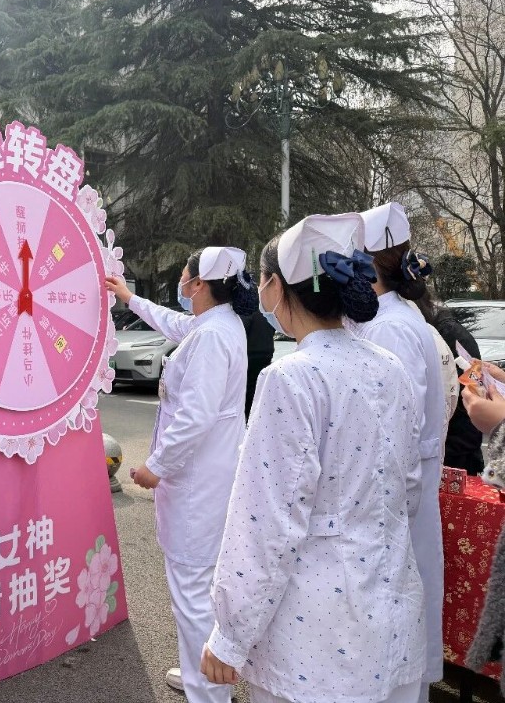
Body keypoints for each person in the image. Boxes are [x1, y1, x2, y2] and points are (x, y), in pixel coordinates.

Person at [201, 213, 425, 703]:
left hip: (316, 637)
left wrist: (230, 634)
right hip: (392, 612)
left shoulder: (293, 379)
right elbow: (407, 488)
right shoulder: (389, 368)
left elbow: (265, 524)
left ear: (276, 287)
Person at [106, 246, 256, 703]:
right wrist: (130, 298)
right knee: (201, 586)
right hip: (209, 474)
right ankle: (201, 672)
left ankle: (206, 692)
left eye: (186, 277)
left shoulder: (212, 335)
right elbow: (173, 322)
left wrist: (155, 467)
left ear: (200, 284)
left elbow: (194, 416)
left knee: (192, 589)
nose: (182, 284)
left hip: (198, 481)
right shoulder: (216, 324)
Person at [352, 202, 447, 701]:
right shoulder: (395, 317)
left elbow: (397, 437)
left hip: (395, 508)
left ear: (368, 262)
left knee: (392, 645)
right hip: (398, 504)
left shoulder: (390, 327)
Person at [418, 292, 486, 474]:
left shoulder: (452, 336)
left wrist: (448, 451)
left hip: (456, 455)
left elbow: (474, 393)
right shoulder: (430, 329)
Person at [242, 308, 275, 417]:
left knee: (249, 392)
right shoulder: (264, 310)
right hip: (265, 352)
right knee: (258, 390)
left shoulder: (246, 311)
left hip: (251, 355)